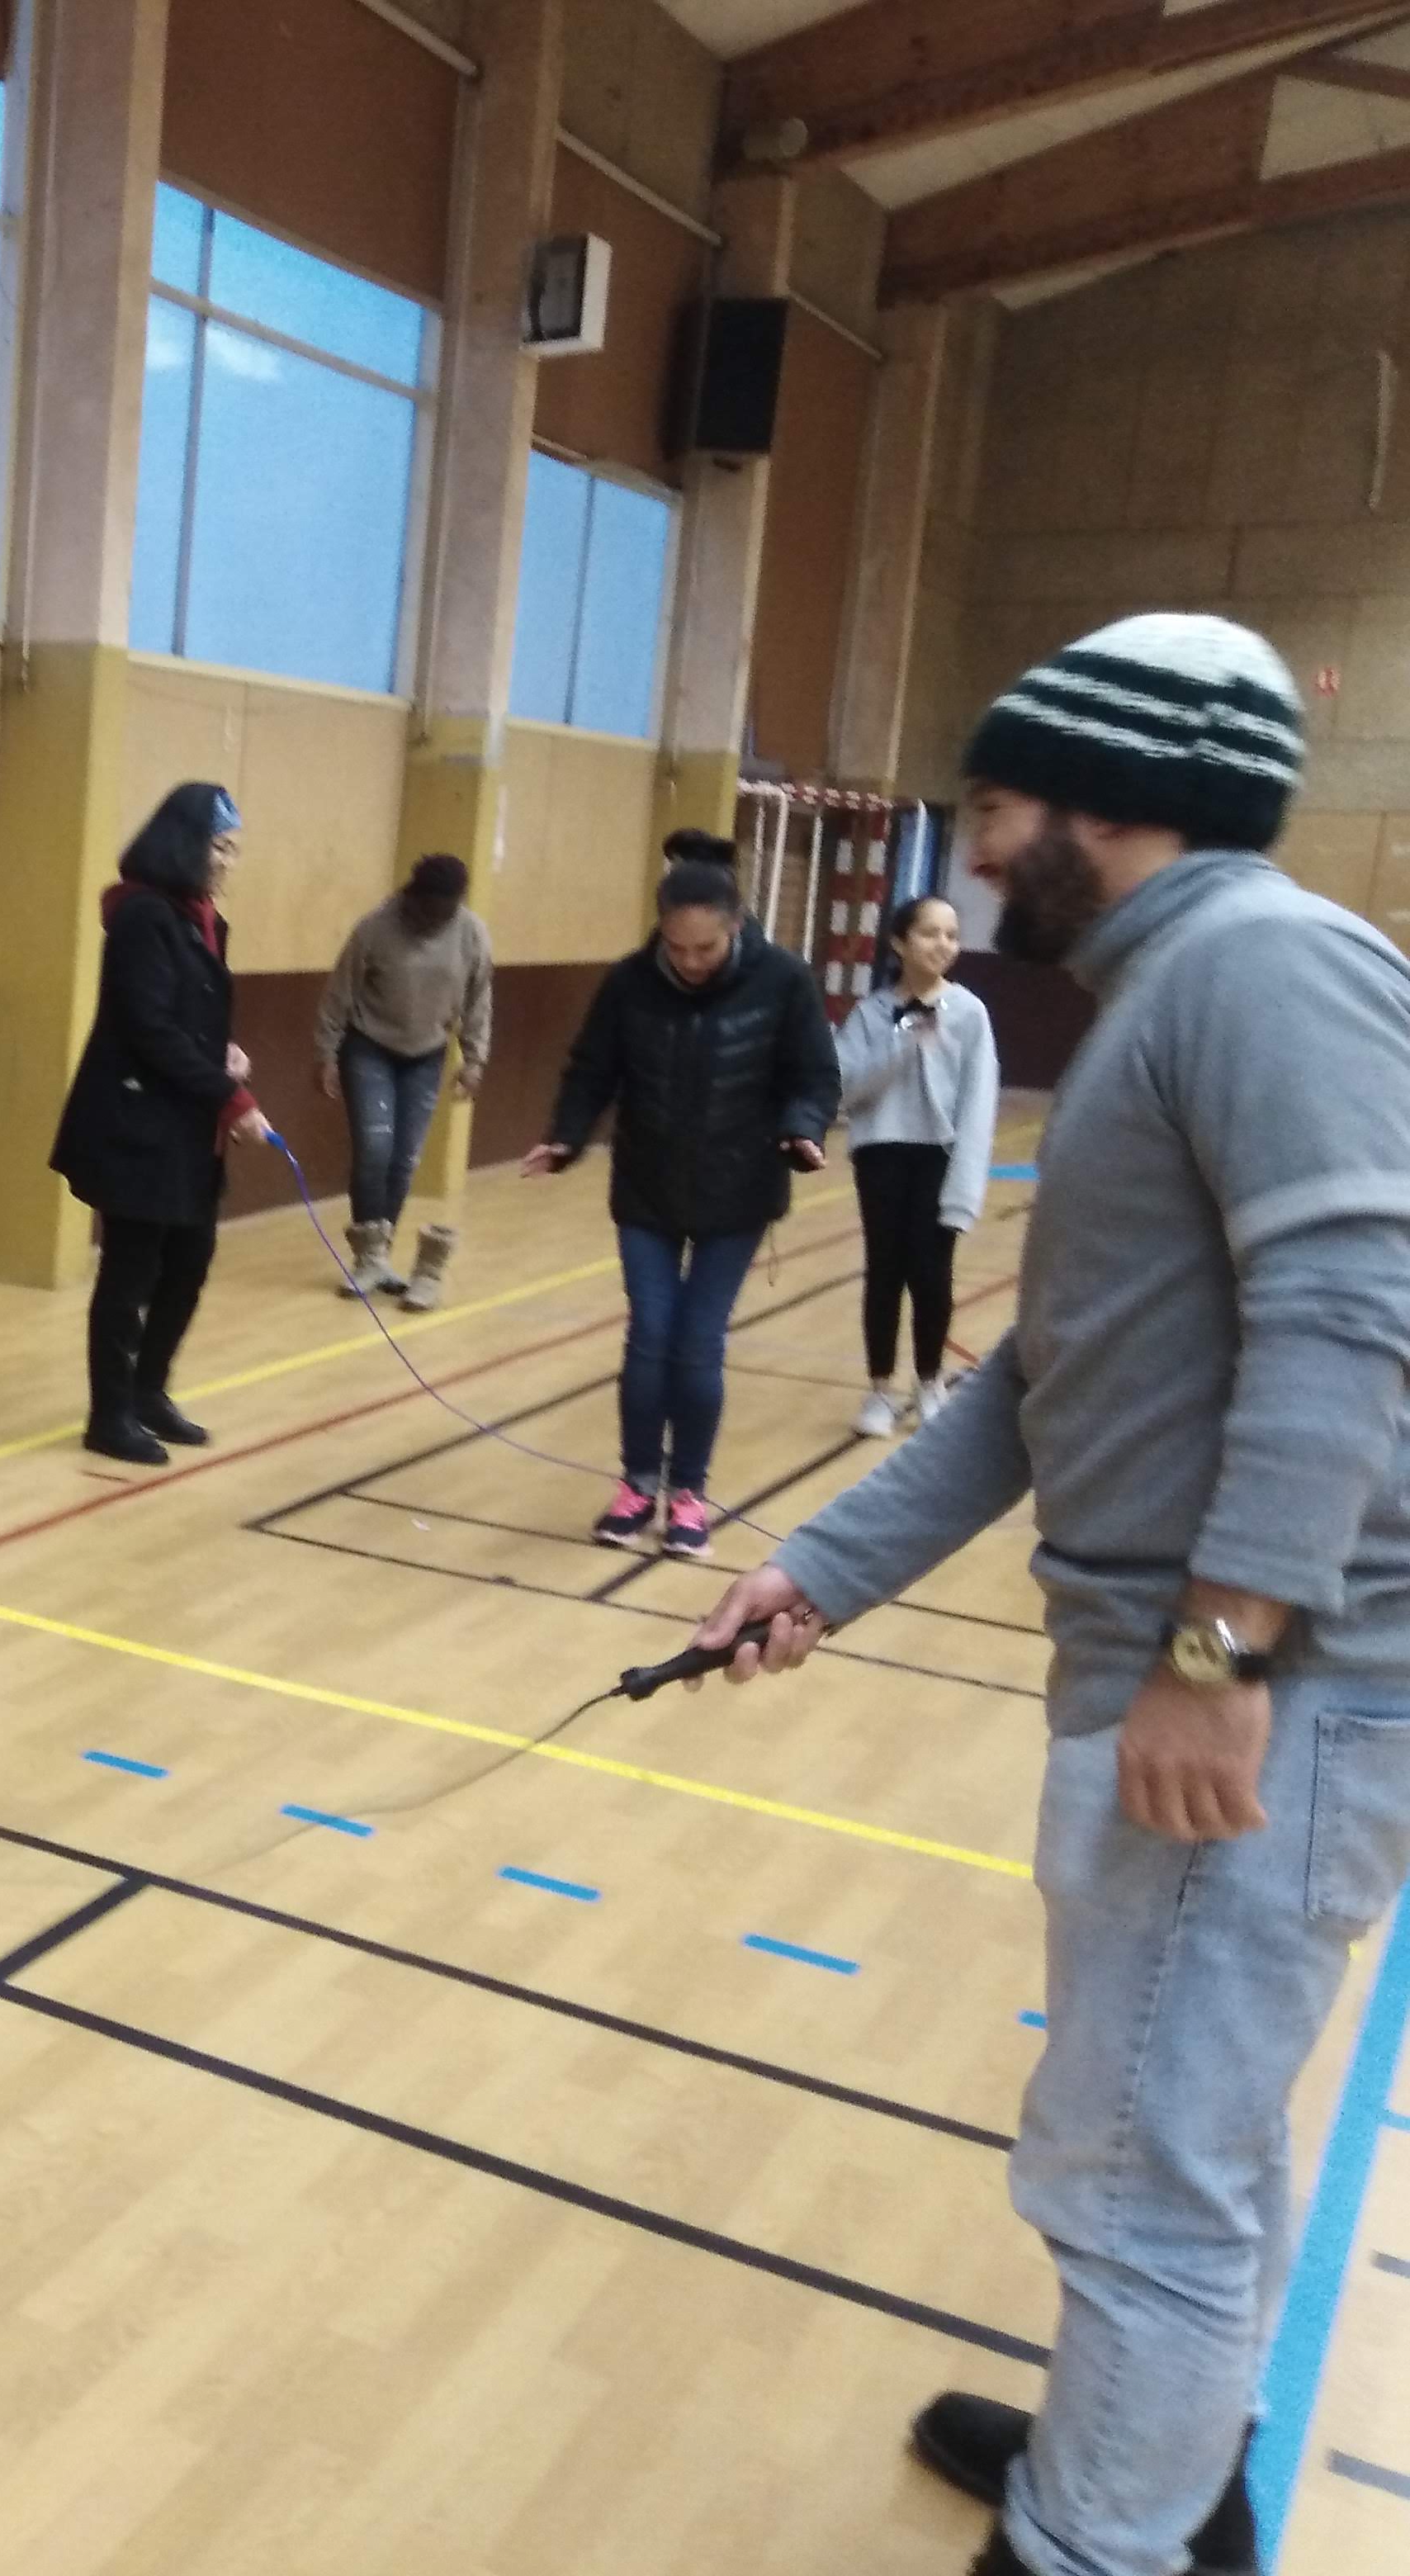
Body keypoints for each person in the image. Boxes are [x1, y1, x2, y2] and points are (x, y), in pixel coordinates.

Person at [686, 613, 1410, 2576]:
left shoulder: (1260, 971)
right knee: (1190, 2136)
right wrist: (821, 1567)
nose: (977, 856)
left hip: (1268, 1689)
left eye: (997, 807)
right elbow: (1049, 1368)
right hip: (1218, 1670)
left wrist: (1218, 1652)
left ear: (1119, 800)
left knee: (1140, 2168)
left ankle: (1093, 2541)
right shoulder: (1171, 993)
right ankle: (1165, 2467)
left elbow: (1351, 1317)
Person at [522, 855, 839, 1560]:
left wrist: (802, 1129)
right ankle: (637, 1485)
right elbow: (592, 1070)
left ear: (736, 926)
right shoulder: (628, 983)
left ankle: (688, 1494)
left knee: (698, 1343)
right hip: (647, 1188)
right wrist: (566, 1137)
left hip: (740, 1190)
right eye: (677, 947)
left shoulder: (784, 980)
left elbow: (814, 1076)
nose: (691, 962)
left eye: (706, 948)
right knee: (650, 1336)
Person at [48, 783, 279, 1466]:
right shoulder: (141, 918)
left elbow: (193, 1017)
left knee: (189, 1261)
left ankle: (149, 1391)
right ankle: (109, 1415)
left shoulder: (207, 921)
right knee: (131, 1272)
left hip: (188, 1125)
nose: (228, 862)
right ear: (186, 846)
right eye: (220, 848)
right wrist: (233, 1099)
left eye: (233, 850)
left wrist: (225, 1054)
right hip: (137, 1125)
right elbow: (148, 1027)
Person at [835, 893, 999, 1440]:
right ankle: (880, 1389)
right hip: (881, 1152)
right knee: (884, 1272)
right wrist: (902, 1044)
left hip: (939, 1156)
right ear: (899, 943)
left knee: (932, 1274)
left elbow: (978, 1101)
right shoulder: (871, 1014)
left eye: (951, 935)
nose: (943, 944)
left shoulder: (970, 1013)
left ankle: (929, 1382)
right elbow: (845, 1088)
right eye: (930, 933)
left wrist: (966, 1185)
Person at [313, 850, 494, 1311]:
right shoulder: (376, 927)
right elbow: (339, 992)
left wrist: (474, 1059)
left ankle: (382, 1253)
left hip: (427, 1054)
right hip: (369, 1046)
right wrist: (326, 1053)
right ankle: (366, 1257)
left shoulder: (472, 933)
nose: (434, 921)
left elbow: (479, 998)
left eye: (444, 913)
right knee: (375, 1148)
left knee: (404, 1160)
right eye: (427, 910)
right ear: (413, 897)